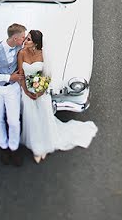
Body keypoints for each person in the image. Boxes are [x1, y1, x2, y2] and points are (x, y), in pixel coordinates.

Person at [18, 29, 97, 163]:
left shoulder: (43, 54)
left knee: (44, 116)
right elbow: (21, 74)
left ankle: (46, 143)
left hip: (41, 92)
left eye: (29, 39)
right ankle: (37, 148)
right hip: (27, 92)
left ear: (36, 43)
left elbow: (48, 75)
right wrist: (26, 91)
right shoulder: (21, 53)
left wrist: (40, 91)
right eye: (26, 38)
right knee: (31, 119)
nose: (25, 41)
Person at [0, 23, 26, 166]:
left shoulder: (20, 47)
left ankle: (14, 148)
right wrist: (8, 77)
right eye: (22, 37)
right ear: (15, 38)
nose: (24, 39)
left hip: (12, 89)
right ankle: (3, 147)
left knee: (14, 121)